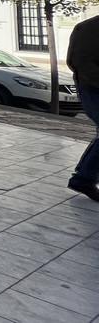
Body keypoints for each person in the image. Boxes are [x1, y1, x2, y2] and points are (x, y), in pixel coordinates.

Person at [67, 14, 99, 202]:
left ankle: (83, 178)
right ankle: (83, 179)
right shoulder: (88, 28)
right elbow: (79, 63)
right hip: (93, 89)